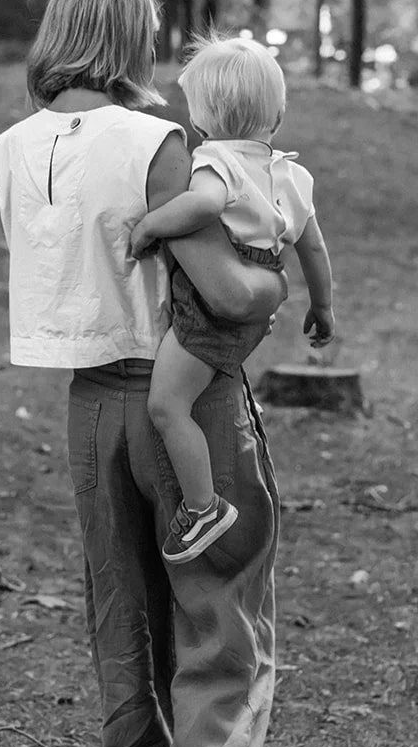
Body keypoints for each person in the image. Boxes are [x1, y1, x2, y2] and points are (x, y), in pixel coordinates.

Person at [0, 0, 286, 747]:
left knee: (121, 620)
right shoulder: (160, 143)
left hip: (88, 413)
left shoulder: (11, 149)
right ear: (130, 39)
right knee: (223, 639)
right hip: (183, 406)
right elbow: (224, 289)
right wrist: (276, 277)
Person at [130, 33, 335, 565]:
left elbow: (201, 208)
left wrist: (152, 223)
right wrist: (322, 306)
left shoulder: (216, 162)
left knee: (167, 405)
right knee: (194, 392)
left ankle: (204, 507)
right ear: (280, 110)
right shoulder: (294, 175)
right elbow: (312, 245)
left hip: (213, 307)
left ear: (201, 118)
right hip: (261, 282)